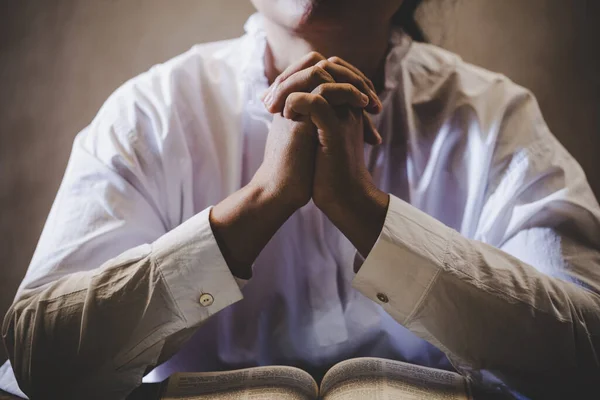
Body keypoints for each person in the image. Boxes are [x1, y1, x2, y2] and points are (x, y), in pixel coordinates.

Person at [2, 0, 600, 398]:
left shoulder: (494, 117)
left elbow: (588, 352)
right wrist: (259, 204)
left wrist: (366, 212)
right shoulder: (152, 112)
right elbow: (38, 357)